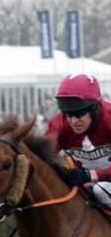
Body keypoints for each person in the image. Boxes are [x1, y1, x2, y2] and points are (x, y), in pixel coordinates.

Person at [47, 73, 111, 207]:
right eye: (68, 114)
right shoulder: (58, 125)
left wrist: (91, 175)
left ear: (95, 109)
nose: (73, 121)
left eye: (79, 114)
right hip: (88, 182)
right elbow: (42, 159)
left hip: (101, 182)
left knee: (101, 191)